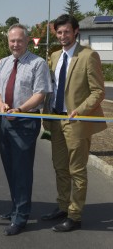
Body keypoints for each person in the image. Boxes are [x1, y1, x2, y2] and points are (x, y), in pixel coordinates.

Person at [41, 14, 107, 232]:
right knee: (60, 168)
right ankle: (62, 207)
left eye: (66, 31)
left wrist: (81, 110)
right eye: (59, 32)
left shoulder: (88, 56)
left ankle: (75, 215)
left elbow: (98, 91)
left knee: (77, 170)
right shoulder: (54, 56)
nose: (62, 36)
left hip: (77, 122)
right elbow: (51, 89)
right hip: (56, 121)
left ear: (76, 31)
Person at [0, 24, 51, 235]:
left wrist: (20, 109)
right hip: (6, 120)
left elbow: (41, 93)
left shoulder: (38, 63)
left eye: (19, 40)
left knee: (22, 170)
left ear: (27, 40)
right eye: (12, 41)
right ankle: (16, 207)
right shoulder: (4, 63)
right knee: (10, 167)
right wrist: (2, 106)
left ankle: (21, 217)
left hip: (25, 121)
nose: (15, 44)